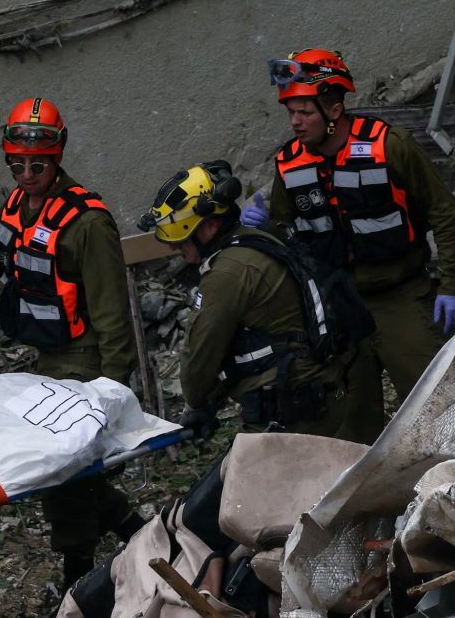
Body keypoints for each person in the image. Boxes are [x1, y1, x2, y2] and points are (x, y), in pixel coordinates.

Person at [0, 97, 140, 586]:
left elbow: (111, 310)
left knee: (61, 474)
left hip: (85, 360)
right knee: (68, 472)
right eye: (17, 164)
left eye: (37, 165)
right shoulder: (18, 204)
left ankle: (78, 581)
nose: (26, 174)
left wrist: (115, 385)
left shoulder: (86, 222)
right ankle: (139, 532)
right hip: (48, 358)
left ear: (57, 156)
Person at [262, 46, 455, 439]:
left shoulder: (389, 146)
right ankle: (365, 496)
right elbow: (283, 234)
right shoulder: (289, 165)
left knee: (440, 405)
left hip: (399, 295)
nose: (295, 122)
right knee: (350, 421)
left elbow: (444, 212)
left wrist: (454, 285)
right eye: (290, 112)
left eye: (304, 112)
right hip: (339, 307)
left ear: (334, 110)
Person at [144, 159, 361, 441]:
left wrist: (196, 403)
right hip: (311, 393)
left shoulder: (227, 272)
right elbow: (250, 348)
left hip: (291, 409)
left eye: (182, 239)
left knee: (248, 482)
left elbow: (200, 357)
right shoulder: (254, 240)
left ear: (209, 227)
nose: (174, 247)